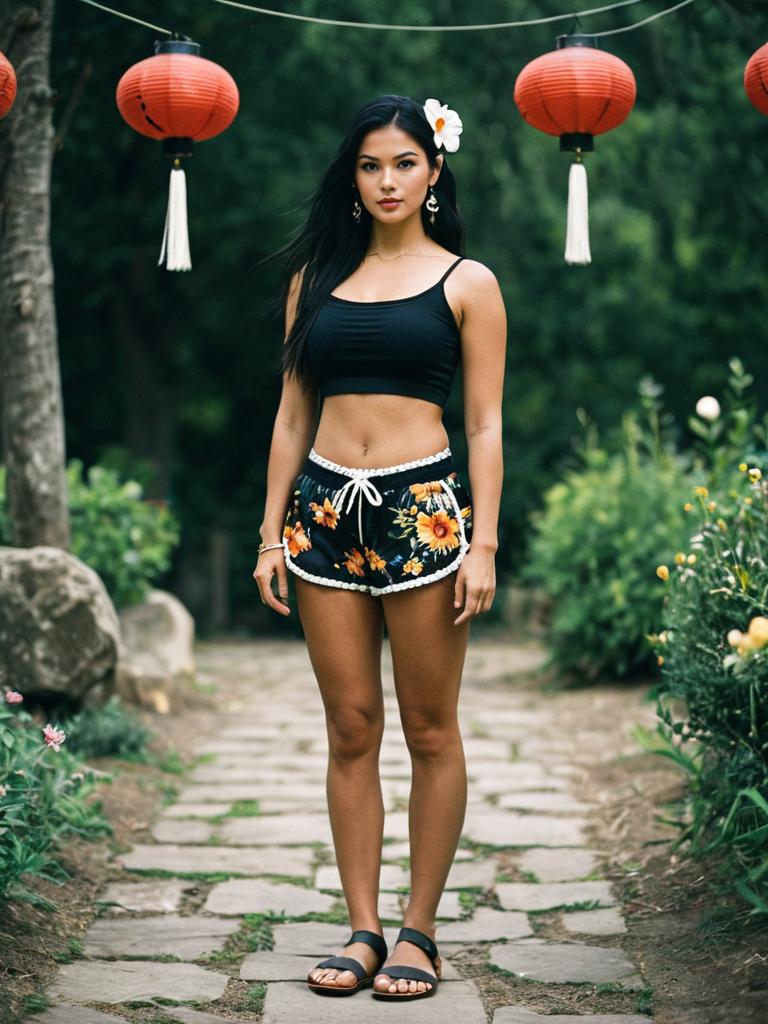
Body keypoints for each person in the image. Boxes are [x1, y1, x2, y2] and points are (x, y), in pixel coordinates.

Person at [253, 93, 506, 1002]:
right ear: (351, 179)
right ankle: (362, 928)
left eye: (404, 162)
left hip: (424, 517)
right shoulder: (313, 280)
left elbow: (483, 425)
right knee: (350, 727)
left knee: (430, 729)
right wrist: (270, 533)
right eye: (370, 165)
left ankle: (419, 932)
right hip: (323, 512)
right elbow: (290, 415)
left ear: (434, 171)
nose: (387, 180)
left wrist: (482, 543)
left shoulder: (467, 283)